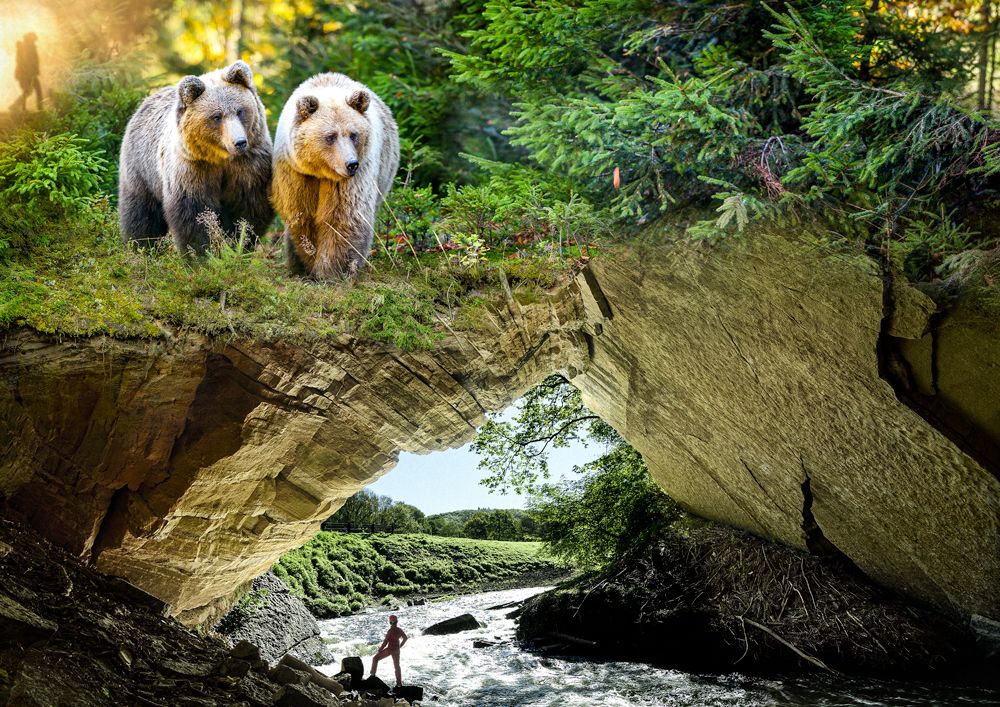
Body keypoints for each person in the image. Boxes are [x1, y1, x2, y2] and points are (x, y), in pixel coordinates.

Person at [370, 613, 407, 686]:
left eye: (391, 622)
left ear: (390, 622)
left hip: (389, 649)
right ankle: (399, 683)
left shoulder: (390, 631)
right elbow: (405, 638)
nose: (392, 624)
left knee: (375, 658)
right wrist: (400, 646)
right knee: (397, 666)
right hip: (397, 650)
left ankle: (372, 675)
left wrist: (380, 649)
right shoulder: (399, 630)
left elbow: (385, 642)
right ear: (397, 622)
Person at [14, 32, 42, 113]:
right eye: (34, 39)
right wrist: (31, 72)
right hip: (28, 73)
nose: (35, 41)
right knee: (34, 90)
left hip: (28, 73)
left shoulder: (27, 46)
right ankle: (40, 108)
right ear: (30, 39)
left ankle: (20, 107)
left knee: (28, 91)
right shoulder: (28, 47)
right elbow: (27, 61)